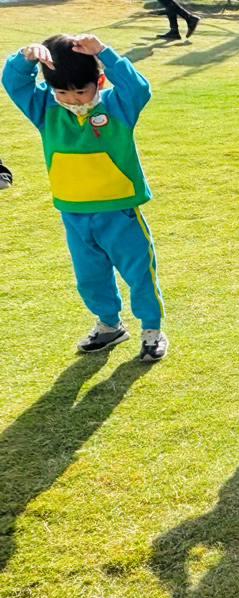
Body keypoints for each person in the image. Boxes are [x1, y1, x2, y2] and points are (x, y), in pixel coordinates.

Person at [3, 34, 169, 361]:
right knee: (89, 277)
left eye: (81, 91)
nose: (73, 99)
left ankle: (152, 329)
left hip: (119, 211)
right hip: (74, 212)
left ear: (99, 82)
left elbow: (138, 88)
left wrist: (104, 53)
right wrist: (25, 58)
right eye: (62, 92)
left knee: (139, 272)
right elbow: (14, 83)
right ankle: (109, 324)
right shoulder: (45, 109)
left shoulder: (118, 107)